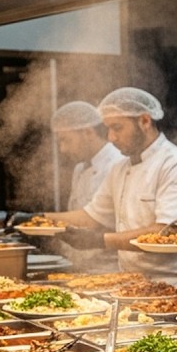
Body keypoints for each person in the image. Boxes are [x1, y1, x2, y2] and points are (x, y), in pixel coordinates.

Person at [11, 88, 177, 291]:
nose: (111, 137)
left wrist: (100, 240)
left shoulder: (175, 164)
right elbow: (90, 217)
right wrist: (38, 218)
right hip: (131, 281)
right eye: (108, 129)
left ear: (145, 121)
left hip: (175, 283)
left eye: (117, 128)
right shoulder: (120, 168)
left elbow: (168, 231)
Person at [49, 101, 121, 272]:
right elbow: (76, 215)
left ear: (88, 132)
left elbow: (92, 219)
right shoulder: (80, 168)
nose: (63, 149)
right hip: (80, 264)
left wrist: (38, 219)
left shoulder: (117, 163)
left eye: (66, 140)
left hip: (110, 267)